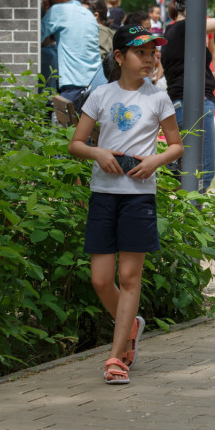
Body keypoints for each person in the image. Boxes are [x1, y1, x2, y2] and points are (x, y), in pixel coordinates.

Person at [66, 24, 184, 386]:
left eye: (153, 53)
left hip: (139, 197)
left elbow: (176, 146)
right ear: (119, 57)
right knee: (101, 280)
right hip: (104, 194)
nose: (149, 59)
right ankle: (130, 325)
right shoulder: (100, 95)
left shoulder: (158, 98)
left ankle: (116, 357)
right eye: (140, 52)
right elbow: (76, 144)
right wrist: (98, 153)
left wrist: (156, 161)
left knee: (129, 278)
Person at [160, 0, 215, 191]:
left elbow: (185, 77)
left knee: (189, 168)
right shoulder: (183, 27)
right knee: (203, 170)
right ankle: (191, 207)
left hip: (183, 102)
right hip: (195, 102)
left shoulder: (172, 33)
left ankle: (185, 206)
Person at [41, 0, 103, 102]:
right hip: (97, 82)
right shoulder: (88, 14)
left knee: (66, 116)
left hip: (74, 85)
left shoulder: (57, 10)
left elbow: (35, 38)